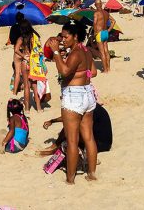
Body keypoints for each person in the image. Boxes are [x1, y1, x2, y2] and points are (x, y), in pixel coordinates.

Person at [45, 20, 98, 184]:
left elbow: (65, 70)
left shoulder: (75, 53)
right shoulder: (86, 50)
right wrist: (81, 75)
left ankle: (70, 178)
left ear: (75, 37)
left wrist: (56, 53)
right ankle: (92, 173)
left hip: (74, 97)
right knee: (89, 137)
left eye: (65, 36)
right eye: (61, 36)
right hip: (88, 94)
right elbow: (93, 72)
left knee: (72, 141)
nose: (62, 39)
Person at [37, 103, 112, 156]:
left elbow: (71, 118)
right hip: (99, 140)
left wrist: (52, 121)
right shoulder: (90, 106)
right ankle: (55, 145)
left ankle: (54, 149)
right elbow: (70, 117)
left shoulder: (90, 110)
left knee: (71, 128)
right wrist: (52, 121)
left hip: (101, 144)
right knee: (71, 125)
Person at [15, 20, 43, 113]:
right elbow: (39, 49)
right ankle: (39, 108)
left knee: (26, 86)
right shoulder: (35, 36)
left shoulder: (21, 38)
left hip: (25, 62)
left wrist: (23, 56)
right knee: (35, 85)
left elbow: (16, 50)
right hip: (34, 62)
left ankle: (27, 109)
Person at [93, 0, 115, 73]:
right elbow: (113, 21)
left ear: (96, 5)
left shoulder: (96, 13)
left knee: (102, 52)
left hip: (99, 33)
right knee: (106, 51)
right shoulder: (106, 13)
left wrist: (95, 33)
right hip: (105, 32)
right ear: (101, 4)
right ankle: (108, 68)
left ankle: (105, 70)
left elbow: (95, 23)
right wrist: (109, 30)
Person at [7, 12, 25, 94]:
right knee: (26, 71)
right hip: (25, 49)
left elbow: (11, 39)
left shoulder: (13, 27)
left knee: (17, 72)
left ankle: (14, 92)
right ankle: (24, 86)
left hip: (17, 51)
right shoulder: (24, 27)